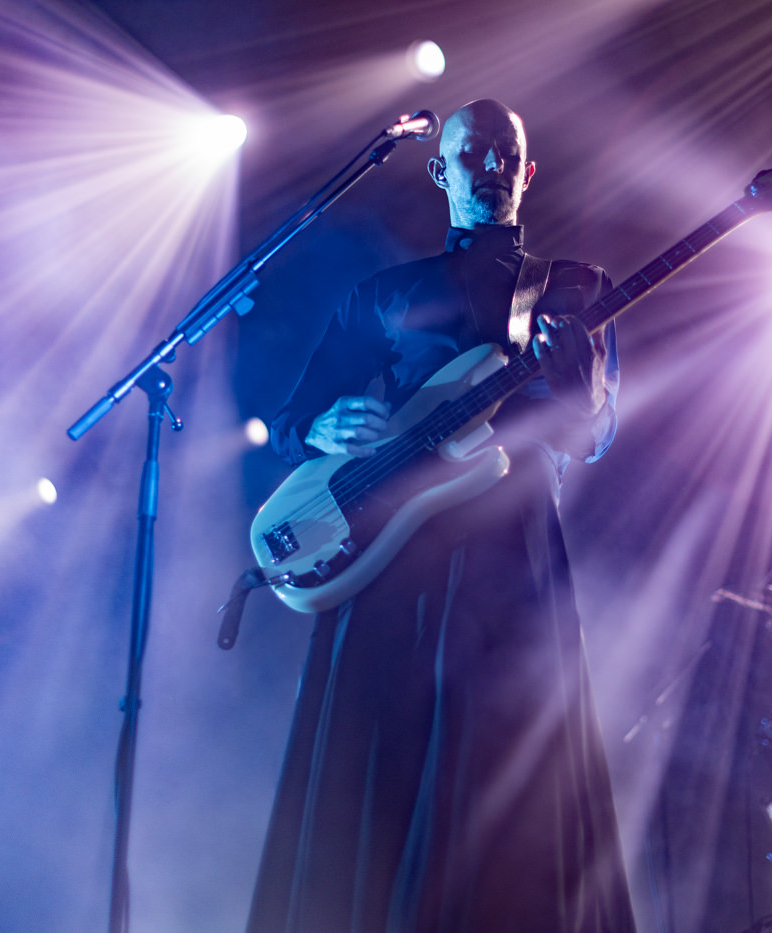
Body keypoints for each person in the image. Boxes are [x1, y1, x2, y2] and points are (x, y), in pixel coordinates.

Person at [248, 99, 636, 933]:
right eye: (473, 153)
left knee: (512, 788)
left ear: (526, 172)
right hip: (394, 557)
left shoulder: (574, 290)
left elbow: (592, 432)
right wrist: (319, 426)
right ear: (441, 170)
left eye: (506, 153)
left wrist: (576, 378)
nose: (490, 165)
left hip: (516, 558)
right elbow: (292, 420)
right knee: (374, 780)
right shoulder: (383, 293)